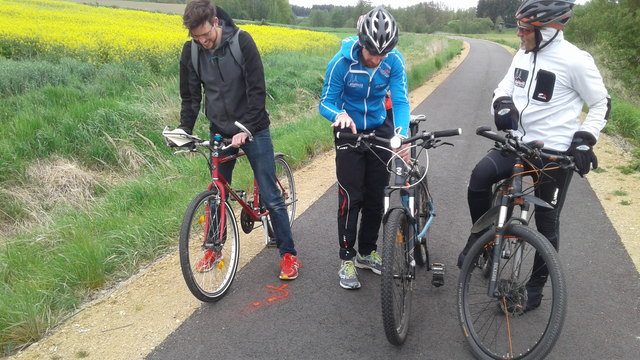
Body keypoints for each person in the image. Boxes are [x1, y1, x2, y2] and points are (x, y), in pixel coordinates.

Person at [457, 0, 610, 311]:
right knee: (479, 177)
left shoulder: (575, 61)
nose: (519, 34)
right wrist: (501, 104)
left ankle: (535, 290)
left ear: (550, 31)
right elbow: (503, 87)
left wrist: (584, 139)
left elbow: (601, 104)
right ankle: (483, 238)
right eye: (519, 27)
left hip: (552, 153)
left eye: (525, 29)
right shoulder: (523, 54)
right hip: (516, 143)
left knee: (547, 225)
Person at [174, 0, 300, 280]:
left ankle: (289, 254)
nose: (203, 42)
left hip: (253, 126)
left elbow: (257, 90)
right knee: (217, 192)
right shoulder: (192, 51)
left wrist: (249, 128)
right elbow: (191, 96)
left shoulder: (242, 42)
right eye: (197, 37)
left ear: (216, 22)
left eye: (206, 35)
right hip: (219, 127)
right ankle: (214, 248)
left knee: (270, 194)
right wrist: (184, 130)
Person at [319, 6, 410, 289]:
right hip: (348, 130)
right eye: (372, 53)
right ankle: (346, 258)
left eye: (383, 53)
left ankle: (367, 252)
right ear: (361, 43)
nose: (376, 59)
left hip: (379, 127)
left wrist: (401, 134)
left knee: (375, 196)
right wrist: (338, 115)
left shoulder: (393, 61)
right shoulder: (341, 62)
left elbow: (401, 101)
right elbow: (325, 102)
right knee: (351, 196)